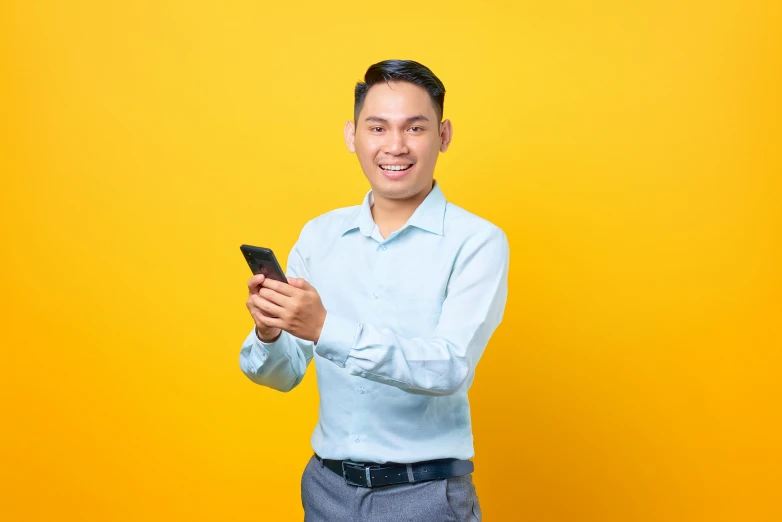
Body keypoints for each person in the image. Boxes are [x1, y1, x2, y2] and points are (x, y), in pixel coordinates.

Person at [239, 59, 509, 521]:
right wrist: (269, 333)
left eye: (415, 128)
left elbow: (448, 368)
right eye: (378, 127)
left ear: (443, 135)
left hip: (424, 496)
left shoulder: (478, 241)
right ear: (352, 135)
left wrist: (326, 327)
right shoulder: (319, 237)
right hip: (326, 490)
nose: (395, 146)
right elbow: (281, 376)